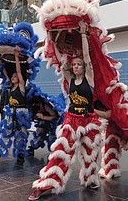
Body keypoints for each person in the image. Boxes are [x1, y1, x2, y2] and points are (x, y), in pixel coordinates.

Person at [28, 21, 108, 200]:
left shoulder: (89, 78)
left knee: (91, 153)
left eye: (80, 64)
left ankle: (90, 179)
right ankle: (46, 184)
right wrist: (51, 37)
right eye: (76, 65)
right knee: (61, 153)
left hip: (89, 120)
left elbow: (87, 55)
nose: (77, 66)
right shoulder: (69, 78)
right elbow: (58, 56)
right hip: (71, 120)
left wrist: (83, 34)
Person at [0, 48, 31, 165]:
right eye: (12, 76)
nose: (13, 77)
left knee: (21, 134)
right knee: (4, 132)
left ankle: (20, 154)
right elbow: (4, 72)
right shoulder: (10, 86)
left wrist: (17, 57)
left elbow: (19, 72)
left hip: (21, 112)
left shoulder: (21, 86)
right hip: (11, 112)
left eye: (15, 76)